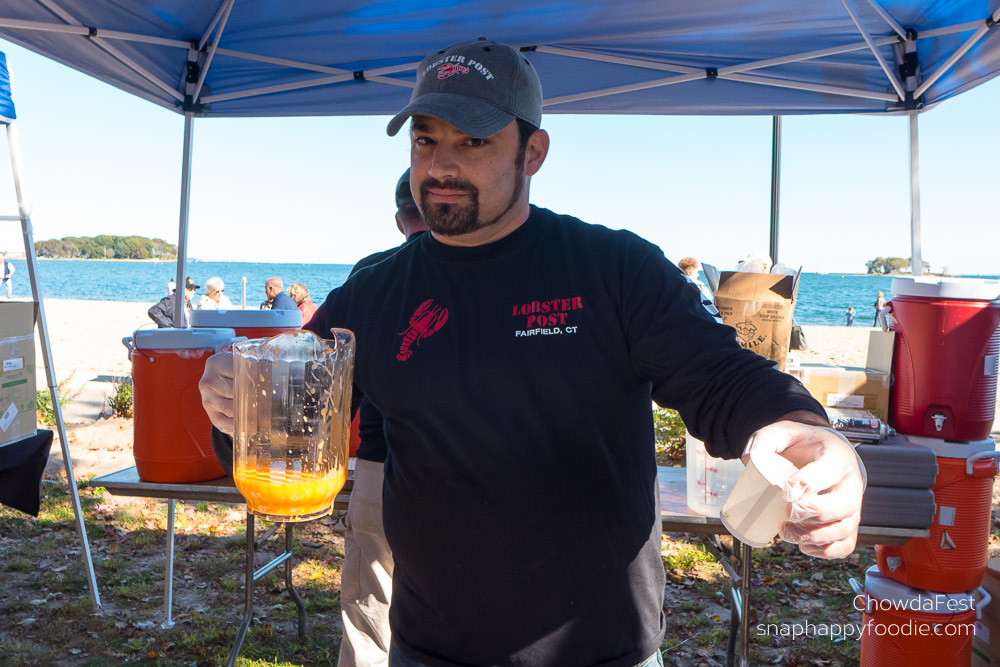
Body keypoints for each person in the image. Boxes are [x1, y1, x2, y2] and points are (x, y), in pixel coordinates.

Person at [201, 39, 864, 667]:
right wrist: (233, 403)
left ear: (534, 151)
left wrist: (806, 432)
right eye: (426, 139)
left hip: (603, 649)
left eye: (473, 141)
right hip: (430, 647)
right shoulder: (378, 290)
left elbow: (722, 377)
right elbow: (285, 424)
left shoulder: (612, 269)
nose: (441, 166)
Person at [338, 168, 429, 667]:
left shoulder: (371, 273)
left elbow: (335, 381)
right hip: (468, 475)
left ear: (400, 221)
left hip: (379, 463)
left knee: (372, 617)